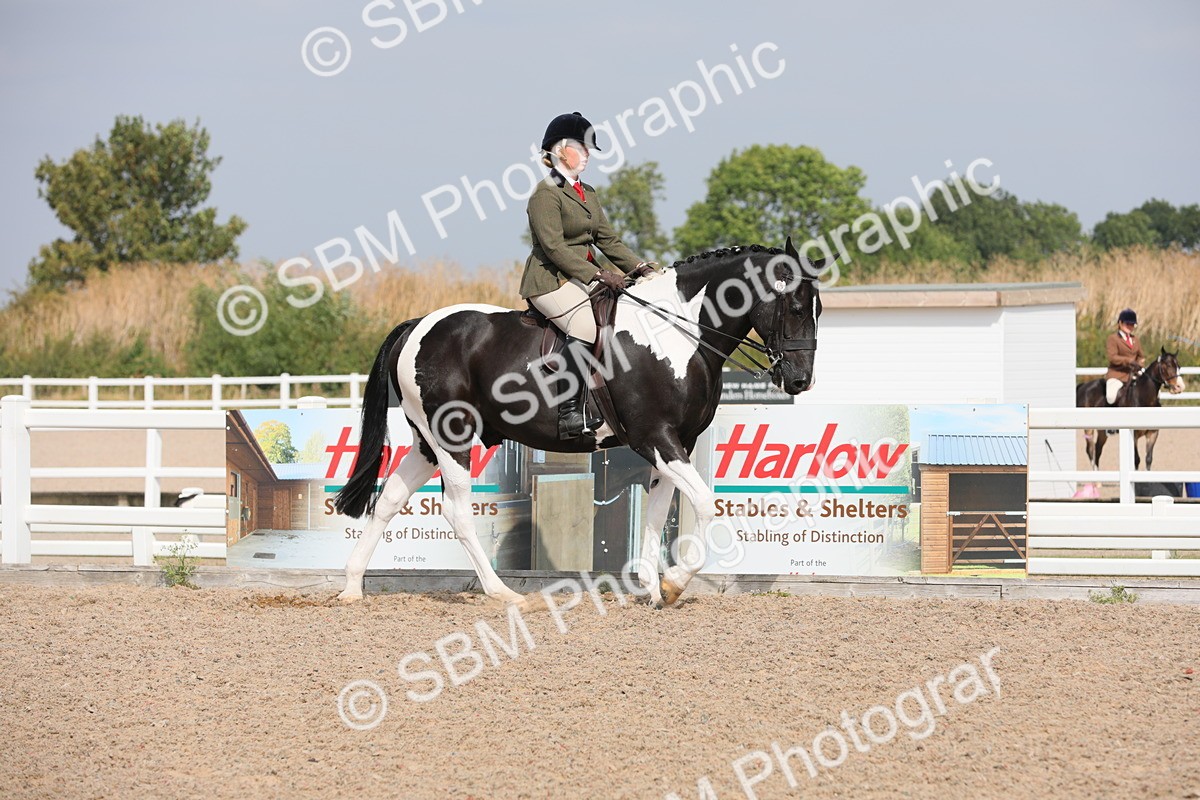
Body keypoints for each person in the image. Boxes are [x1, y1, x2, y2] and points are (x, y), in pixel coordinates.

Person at [519, 111, 656, 439]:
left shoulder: (588, 193)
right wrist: (597, 274)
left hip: (581, 277)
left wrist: (642, 268)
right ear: (559, 150)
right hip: (550, 279)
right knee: (584, 325)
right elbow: (554, 248)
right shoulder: (545, 194)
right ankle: (567, 412)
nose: (589, 155)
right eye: (582, 147)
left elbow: (608, 240)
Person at [1104, 308, 1146, 405]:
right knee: (1111, 397)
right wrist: (1128, 361)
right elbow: (1112, 357)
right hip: (1117, 374)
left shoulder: (1135, 339)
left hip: (1134, 374)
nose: (1130, 326)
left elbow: (1141, 356)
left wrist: (1140, 362)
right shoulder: (1113, 339)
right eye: (1127, 324)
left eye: (1132, 324)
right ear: (1120, 323)